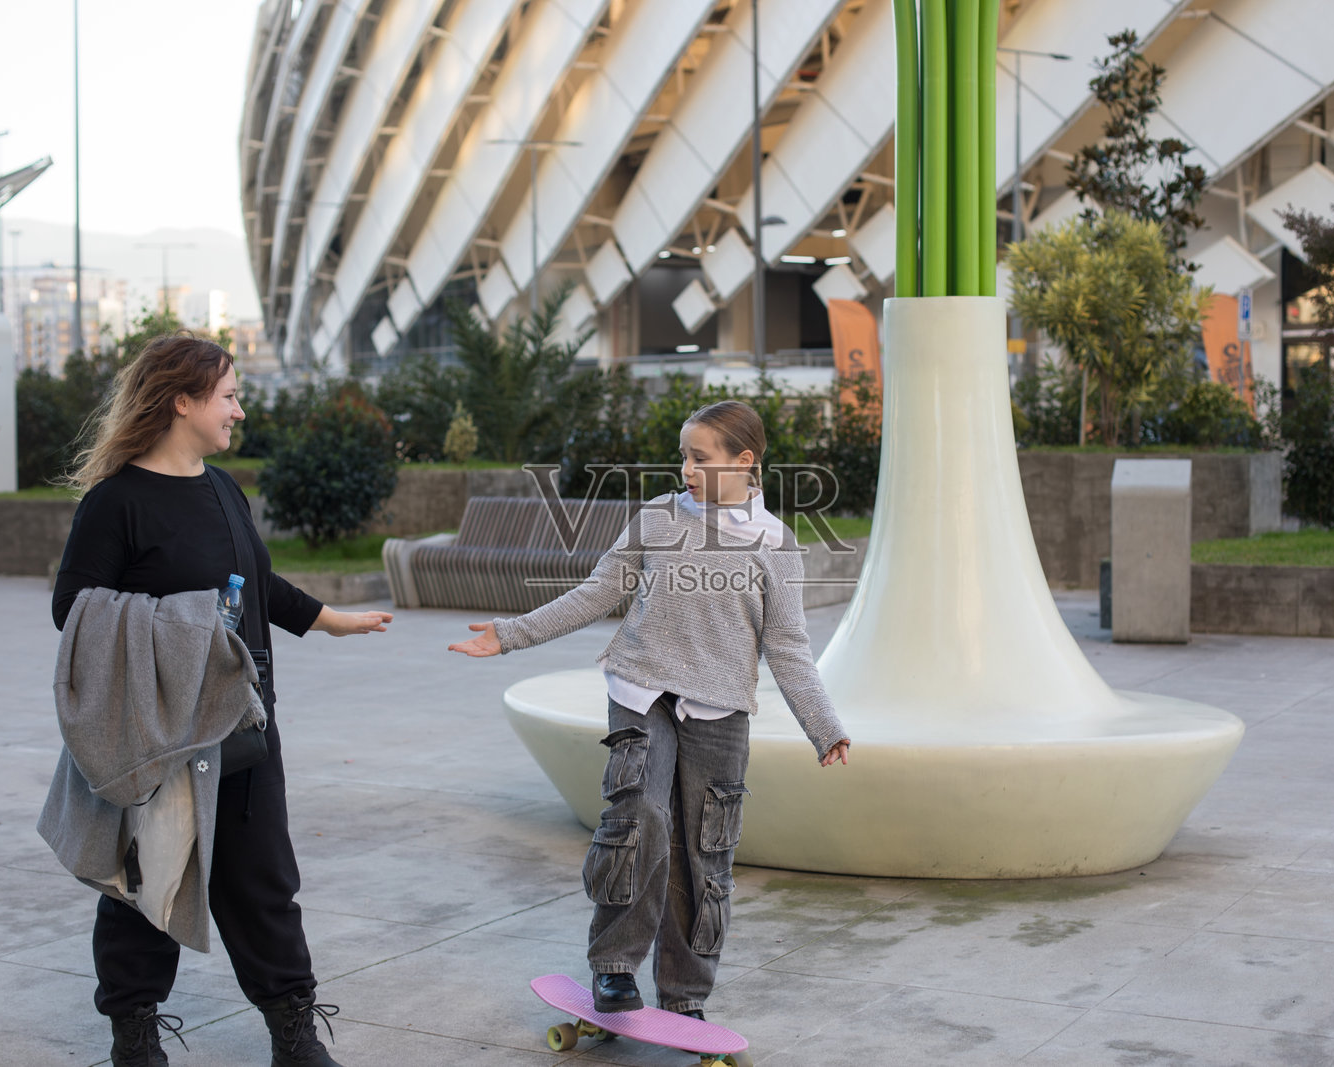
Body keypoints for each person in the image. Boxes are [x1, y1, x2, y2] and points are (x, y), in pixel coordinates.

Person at [51, 334, 391, 1067]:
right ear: (183, 401)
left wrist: (332, 620)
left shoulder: (223, 486)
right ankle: (134, 1036)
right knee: (147, 879)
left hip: (243, 722)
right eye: (228, 395)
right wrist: (183, 624)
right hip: (162, 731)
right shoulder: (117, 503)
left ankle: (293, 1035)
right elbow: (73, 608)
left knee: (264, 877)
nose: (239, 408)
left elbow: (258, 584)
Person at [449, 399, 850, 1020]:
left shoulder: (775, 542)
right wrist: (512, 632)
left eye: (699, 457)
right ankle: (613, 968)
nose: (684, 469)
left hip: (719, 709)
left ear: (744, 462)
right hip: (641, 689)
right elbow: (599, 590)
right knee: (638, 818)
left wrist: (823, 728)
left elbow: (788, 645)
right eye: (682, 456)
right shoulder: (658, 518)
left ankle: (685, 997)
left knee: (705, 851)